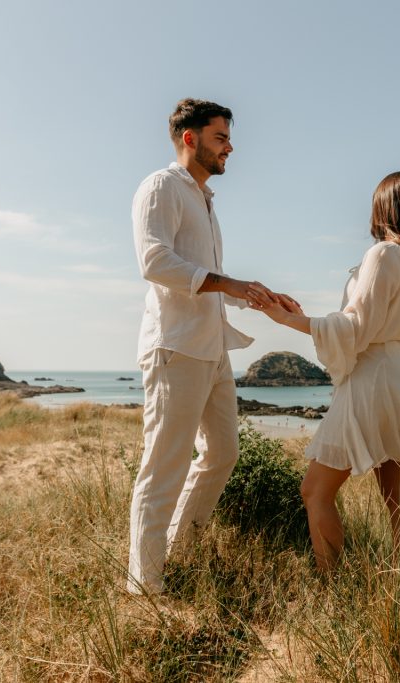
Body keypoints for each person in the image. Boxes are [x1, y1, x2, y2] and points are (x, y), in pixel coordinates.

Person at [254, 171, 400, 571]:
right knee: (396, 493)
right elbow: (366, 323)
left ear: (384, 206)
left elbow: (356, 328)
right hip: (397, 375)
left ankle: (330, 586)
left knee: (314, 491)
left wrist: (286, 320)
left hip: (372, 379)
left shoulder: (385, 253)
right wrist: (312, 320)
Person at [127, 98, 297, 595]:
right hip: (176, 349)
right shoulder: (161, 186)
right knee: (163, 468)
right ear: (190, 138)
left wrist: (255, 295)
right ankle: (146, 589)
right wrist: (231, 285)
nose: (229, 147)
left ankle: (180, 553)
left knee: (222, 453)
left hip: (213, 350)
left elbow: (210, 278)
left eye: (227, 138)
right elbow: (155, 261)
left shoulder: (204, 199)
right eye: (220, 137)